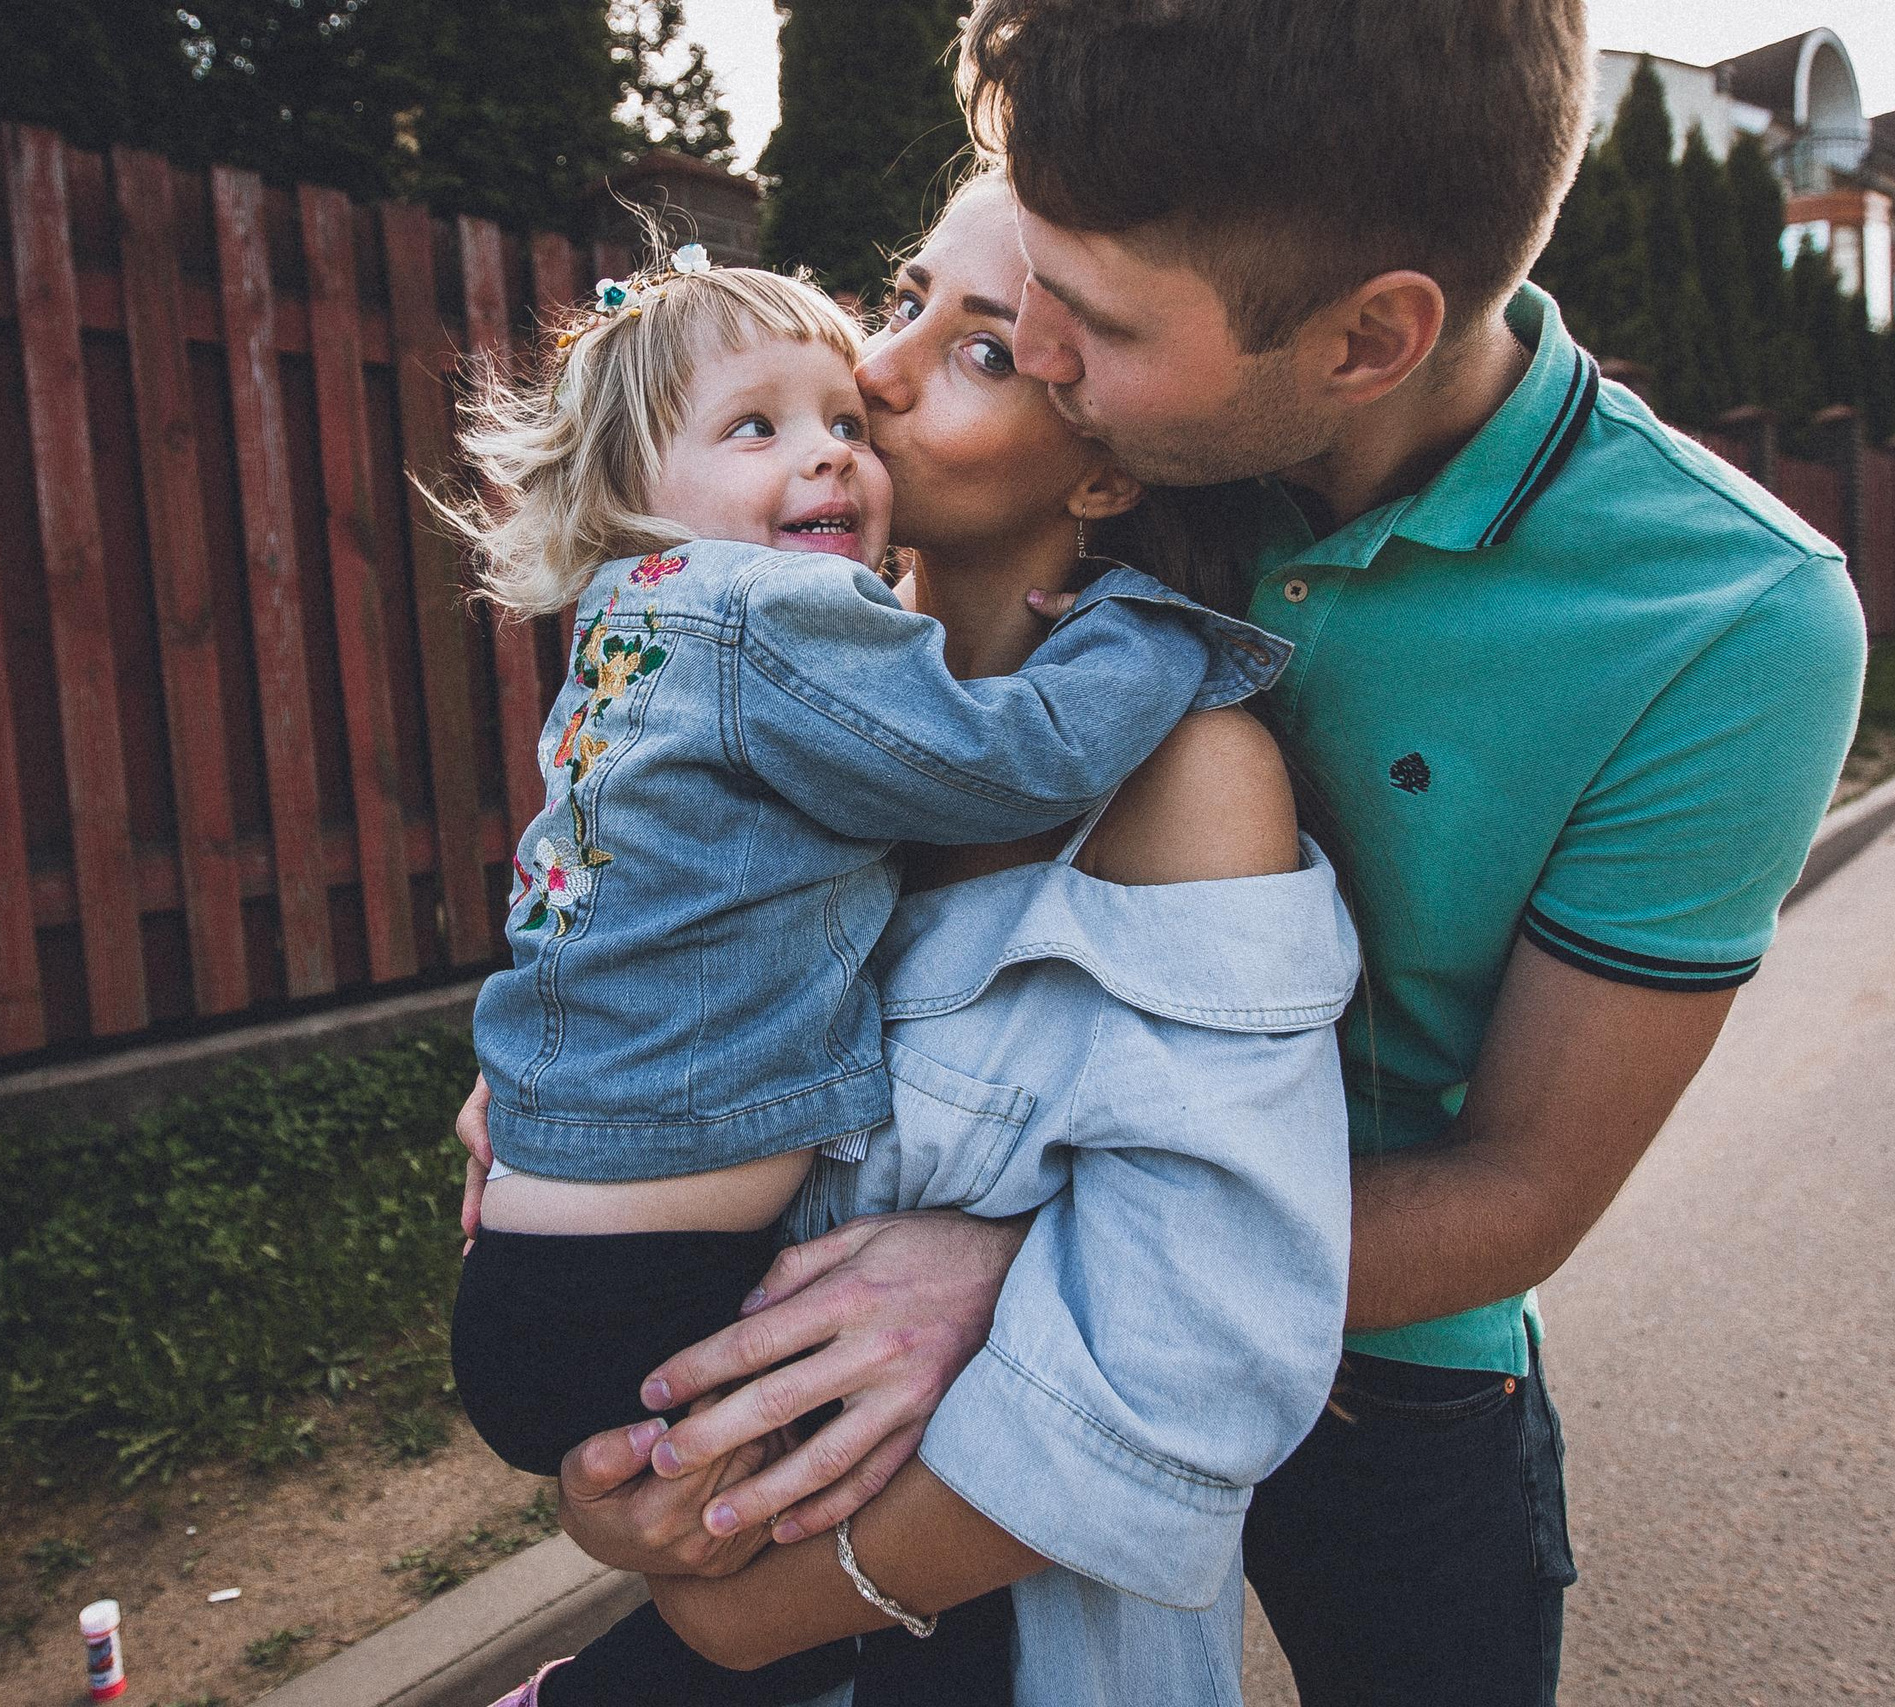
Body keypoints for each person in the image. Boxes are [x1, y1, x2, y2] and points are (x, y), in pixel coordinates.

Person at [516, 4, 1869, 1704]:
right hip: (933, 1320)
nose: (880, 376)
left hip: (1385, 1360)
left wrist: (1025, 1274)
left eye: (1071, 325)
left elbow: (1524, 1191)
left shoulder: (1729, 618)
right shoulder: (1057, 485)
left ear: (1367, 343)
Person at [436, 247, 1297, 1706]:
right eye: (761, 424)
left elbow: (1206, 1305)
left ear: (1107, 468)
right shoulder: (771, 634)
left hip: (603, 1301)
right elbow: (1002, 758)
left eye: (979, 353)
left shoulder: (649, 631)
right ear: (637, 492)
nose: (863, 412)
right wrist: (1155, 641)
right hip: (639, 1300)